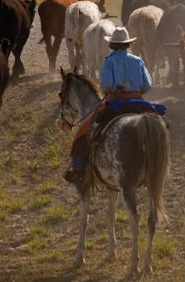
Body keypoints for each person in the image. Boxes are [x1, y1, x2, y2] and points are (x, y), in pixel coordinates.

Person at [64, 27, 153, 185]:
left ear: (112, 45)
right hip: (138, 102)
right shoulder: (138, 61)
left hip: (115, 103)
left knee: (83, 131)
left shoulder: (109, 62)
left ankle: (79, 169)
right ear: (128, 44)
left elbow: (105, 85)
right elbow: (148, 85)